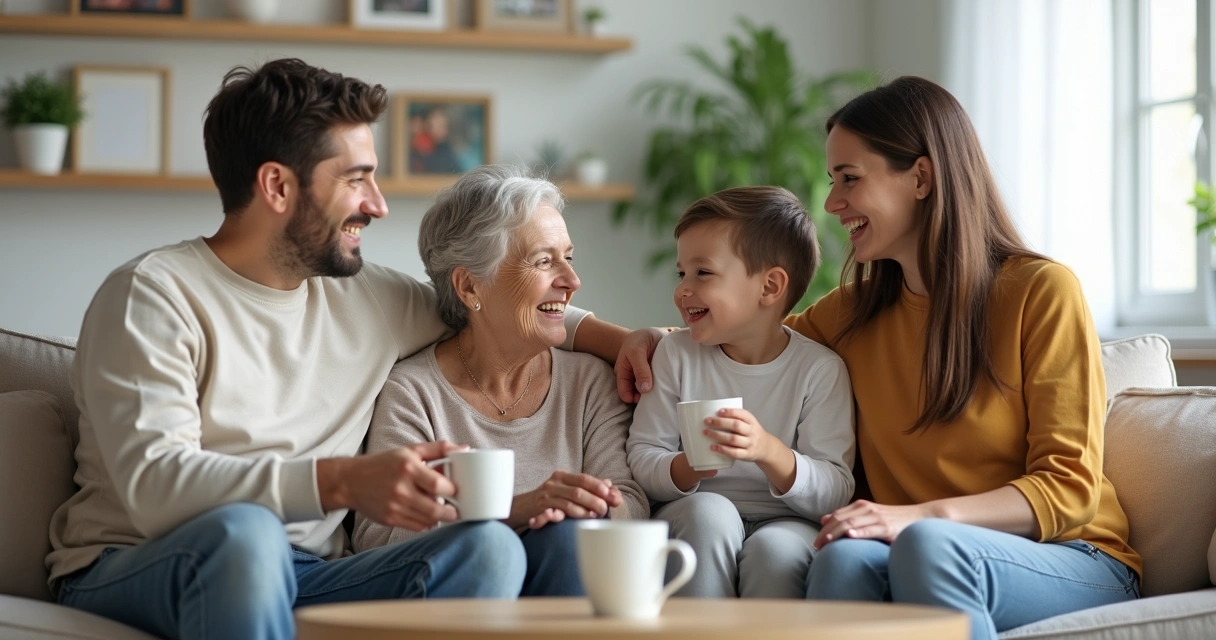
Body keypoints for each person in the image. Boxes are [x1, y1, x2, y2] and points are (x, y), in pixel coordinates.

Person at [46, 59, 623, 640]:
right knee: (247, 536)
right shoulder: (152, 296)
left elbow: (491, 304)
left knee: (487, 547)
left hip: (312, 573)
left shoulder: (367, 297)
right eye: (355, 179)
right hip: (141, 562)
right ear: (277, 186)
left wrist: (622, 341)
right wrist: (340, 482)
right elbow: (154, 487)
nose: (377, 204)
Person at [612, 76, 1141, 640]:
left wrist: (914, 518)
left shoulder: (1041, 291)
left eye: (849, 179)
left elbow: (1070, 488)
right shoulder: (855, 313)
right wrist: (644, 335)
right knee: (839, 561)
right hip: (912, 544)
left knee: (930, 548)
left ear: (920, 177)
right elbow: (745, 330)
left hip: (1068, 555)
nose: (832, 202)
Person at [352, 165, 649, 595]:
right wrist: (517, 511)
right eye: (544, 261)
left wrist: (591, 509)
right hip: (461, 600)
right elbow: (380, 537)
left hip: (574, 581)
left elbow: (634, 504)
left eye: (569, 256)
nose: (571, 281)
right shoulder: (414, 392)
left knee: (568, 538)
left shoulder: (589, 382)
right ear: (470, 287)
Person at [625, 187, 855, 598]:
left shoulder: (819, 370)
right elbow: (643, 458)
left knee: (777, 552)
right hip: (695, 510)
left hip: (789, 520)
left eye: (703, 273)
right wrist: (690, 466)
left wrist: (769, 450)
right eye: (682, 274)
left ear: (769, 287)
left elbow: (835, 490)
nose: (682, 289)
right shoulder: (675, 355)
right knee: (709, 515)